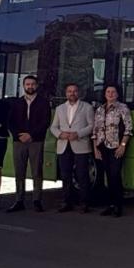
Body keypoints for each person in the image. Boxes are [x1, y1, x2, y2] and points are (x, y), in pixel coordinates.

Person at [7, 74, 50, 212]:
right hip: (19, 141)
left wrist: (31, 135)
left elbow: (45, 122)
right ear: (23, 86)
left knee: (37, 171)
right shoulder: (16, 103)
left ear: (36, 86)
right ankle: (19, 200)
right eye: (27, 84)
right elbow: (10, 122)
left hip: (35, 141)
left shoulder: (43, 102)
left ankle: (37, 200)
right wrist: (18, 135)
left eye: (32, 84)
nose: (30, 86)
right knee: (19, 171)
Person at [50, 82, 94, 212]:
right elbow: (53, 127)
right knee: (65, 175)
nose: (72, 93)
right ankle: (66, 202)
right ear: (66, 93)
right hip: (64, 145)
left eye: (74, 91)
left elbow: (92, 126)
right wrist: (60, 134)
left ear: (78, 93)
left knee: (82, 175)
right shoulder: (60, 108)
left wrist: (78, 134)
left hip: (80, 144)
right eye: (69, 91)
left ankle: (84, 203)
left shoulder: (87, 107)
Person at [92, 83, 134, 217]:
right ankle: (110, 205)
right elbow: (95, 130)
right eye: (108, 92)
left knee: (115, 175)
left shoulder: (123, 108)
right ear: (105, 94)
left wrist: (123, 145)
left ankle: (118, 206)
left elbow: (128, 129)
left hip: (116, 146)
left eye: (113, 92)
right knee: (108, 176)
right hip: (102, 146)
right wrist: (95, 148)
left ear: (117, 94)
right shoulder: (100, 109)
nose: (110, 94)